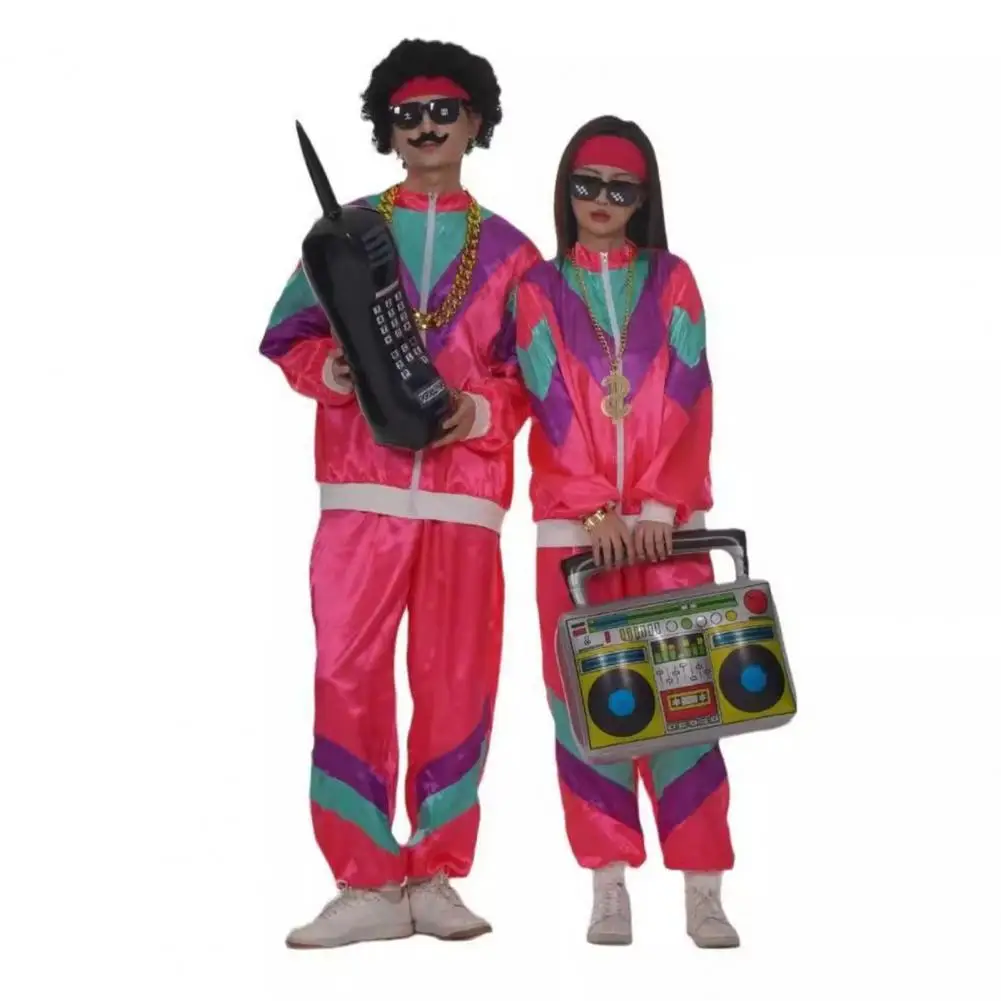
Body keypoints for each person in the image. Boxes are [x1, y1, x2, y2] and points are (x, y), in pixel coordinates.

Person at [260, 39, 539, 948]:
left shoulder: (512, 253)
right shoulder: (342, 236)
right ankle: (366, 881)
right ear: (387, 129)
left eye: (443, 111)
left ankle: (435, 873)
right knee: (345, 675)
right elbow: (288, 336)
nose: (425, 127)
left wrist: (480, 409)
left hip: (466, 502)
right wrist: (333, 370)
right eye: (407, 115)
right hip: (360, 495)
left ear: (475, 123)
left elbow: (536, 376)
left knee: (457, 679)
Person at [512, 116, 740, 947]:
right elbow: (548, 401)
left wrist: (654, 505)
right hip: (574, 538)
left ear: (643, 199)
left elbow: (690, 392)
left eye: (620, 188)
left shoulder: (673, 280)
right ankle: (607, 883)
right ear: (565, 189)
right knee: (586, 701)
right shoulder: (537, 290)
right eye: (587, 185)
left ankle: (703, 888)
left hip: (664, 529)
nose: (602, 201)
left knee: (687, 697)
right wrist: (592, 508)